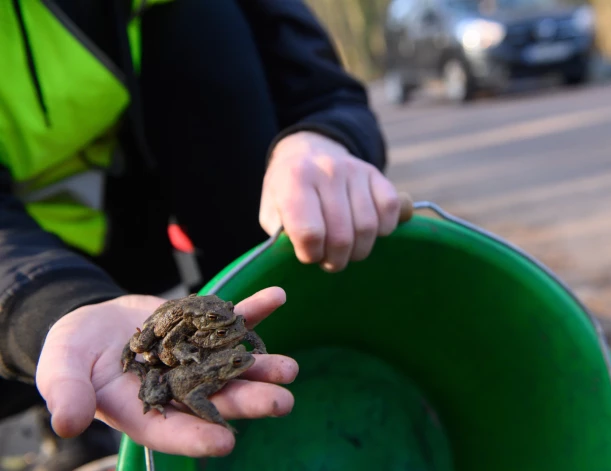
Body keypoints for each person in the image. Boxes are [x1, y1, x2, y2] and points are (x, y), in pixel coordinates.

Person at [0, 0, 401, 469]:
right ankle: (66, 427)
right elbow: (168, 348)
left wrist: (322, 135)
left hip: (159, 229)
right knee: (99, 371)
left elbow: (316, 78)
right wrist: (48, 302)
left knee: (205, 15)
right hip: (28, 272)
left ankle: (277, 321)